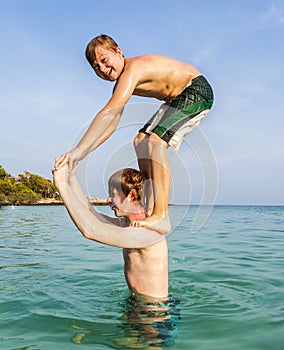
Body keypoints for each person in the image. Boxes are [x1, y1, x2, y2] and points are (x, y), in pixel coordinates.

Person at [53, 34, 214, 234]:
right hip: (177, 99)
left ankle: (161, 215)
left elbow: (107, 112)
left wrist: (76, 151)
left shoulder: (132, 70)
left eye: (104, 60)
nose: (102, 69)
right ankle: (149, 208)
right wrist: (82, 154)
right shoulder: (122, 83)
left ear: (118, 52)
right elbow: (111, 124)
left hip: (196, 91)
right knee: (140, 141)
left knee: (155, 142)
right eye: (96, 67)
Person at [53, 162, 168, 300]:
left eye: (112, 195)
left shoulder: (145, 232)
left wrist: (61, 185)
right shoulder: (127, 225)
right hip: (139, 304)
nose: (108, 200)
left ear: (131, 196)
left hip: (154, 311)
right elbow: (92, 214)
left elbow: (89, 231)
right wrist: (71, 178)